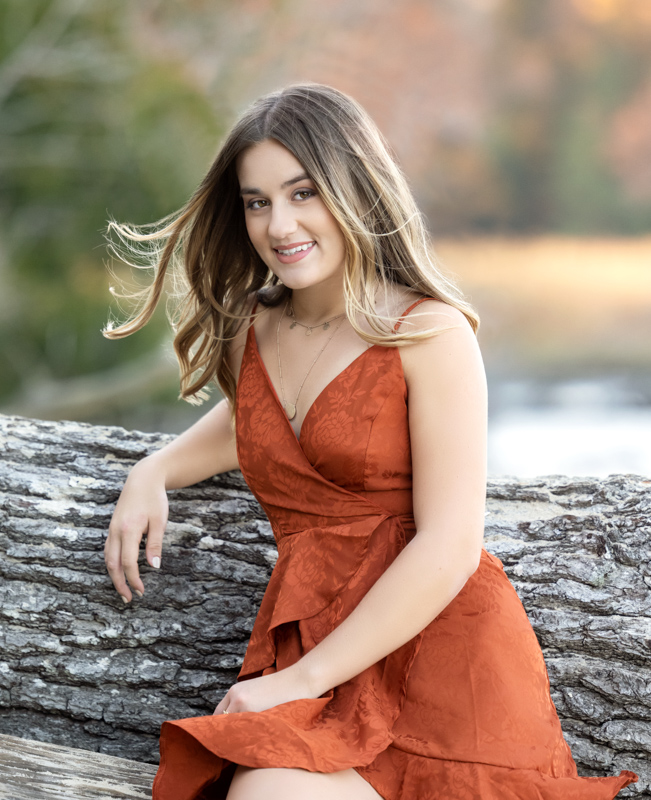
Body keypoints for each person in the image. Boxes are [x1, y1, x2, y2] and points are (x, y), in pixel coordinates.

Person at [103, 84, 637, 800]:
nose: (278, 224)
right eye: (256, 201)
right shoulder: (249, 332)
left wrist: (301, 679)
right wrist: (155, 468)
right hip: (316, 665)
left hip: (438, 671)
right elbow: (253, 424)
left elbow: (450, 544)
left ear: (354, 188)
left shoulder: (428, 332)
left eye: (302, 193)